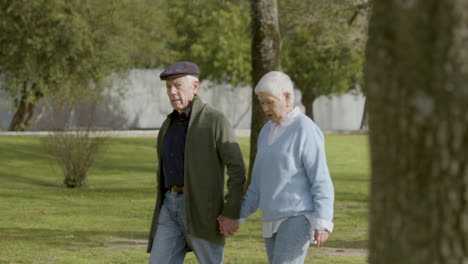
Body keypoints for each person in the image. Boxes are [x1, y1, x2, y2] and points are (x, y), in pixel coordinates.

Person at [220, 71, 334, 263]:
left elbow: (320, 178)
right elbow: (257, 185)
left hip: (297, 217)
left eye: (269, 102)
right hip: (270, 220)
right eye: (262, 102)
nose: (265, 108)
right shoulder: (265, 132)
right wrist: (236, 216)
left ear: (287, 97)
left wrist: (322, 221)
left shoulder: (305, 129)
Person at [147, 61, 246, 264]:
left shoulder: (214, 120)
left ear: (195, 86)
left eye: (178, 85)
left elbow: (237, 168)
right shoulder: (168, 124)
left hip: (203, 211)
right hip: (168, 207)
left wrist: (231, 210)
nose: (172, 92)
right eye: (168, 87)